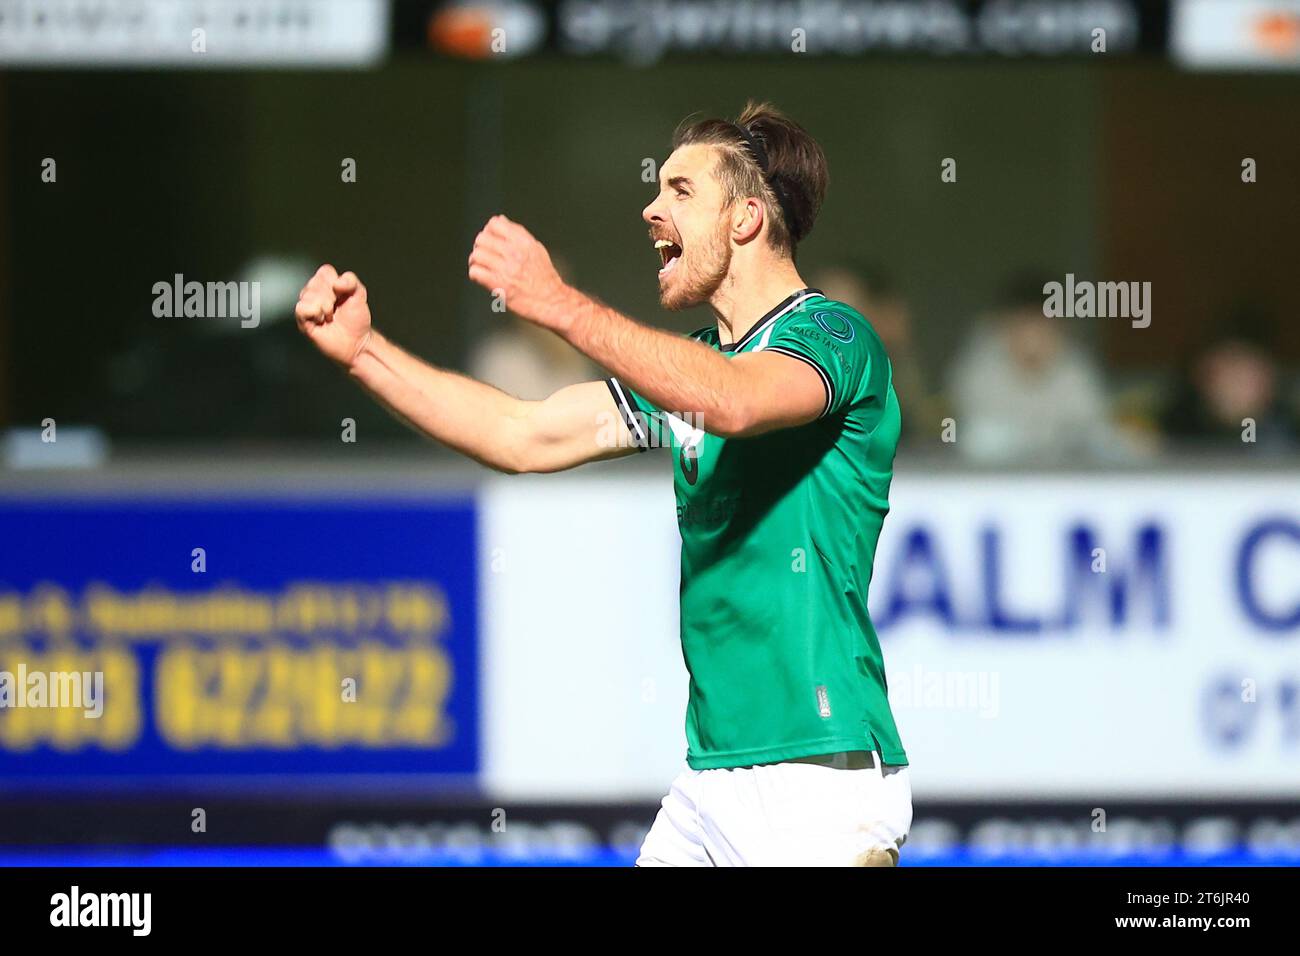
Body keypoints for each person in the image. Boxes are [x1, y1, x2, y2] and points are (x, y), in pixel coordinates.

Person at [295, 102, 911, 866]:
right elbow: (522, 435)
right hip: (711, 778)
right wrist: (365, 354)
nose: (651, 207)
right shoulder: (690, 368)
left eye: (681, 191)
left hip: (819, 774)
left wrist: (554, 304)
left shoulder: (834, 336)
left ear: (747, 218)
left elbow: (736, 400)